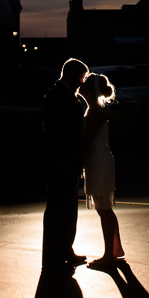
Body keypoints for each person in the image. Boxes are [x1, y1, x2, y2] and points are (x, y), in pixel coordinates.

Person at [41, 57, 89, 271]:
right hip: (62, 162)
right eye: (81, 77)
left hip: (68, 161)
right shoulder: (59, 97)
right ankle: (54, 258)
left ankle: (64, 251)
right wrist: (61, 160)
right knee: (59, 211)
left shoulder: (64, 95)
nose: (82, 82)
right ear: (72, 75)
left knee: (68, 210)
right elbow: (55, 133)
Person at [81, 72, 125, 269]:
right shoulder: (95, 110)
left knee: (103, 209)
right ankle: (115, 250)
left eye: (84, 84)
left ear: (90, 90)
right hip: (101, 159)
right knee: (105, 209)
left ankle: (109, 254)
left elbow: (87, 140)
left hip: (98, 161)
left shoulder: (94, 113)